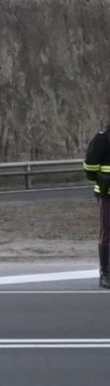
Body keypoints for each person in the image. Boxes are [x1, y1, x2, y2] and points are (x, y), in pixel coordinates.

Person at [84, 123, 110, 289]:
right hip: (107, 194)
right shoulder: (102, 139)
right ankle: (105, 273)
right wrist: (102, 180)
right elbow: (90, 167)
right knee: (107, 232)